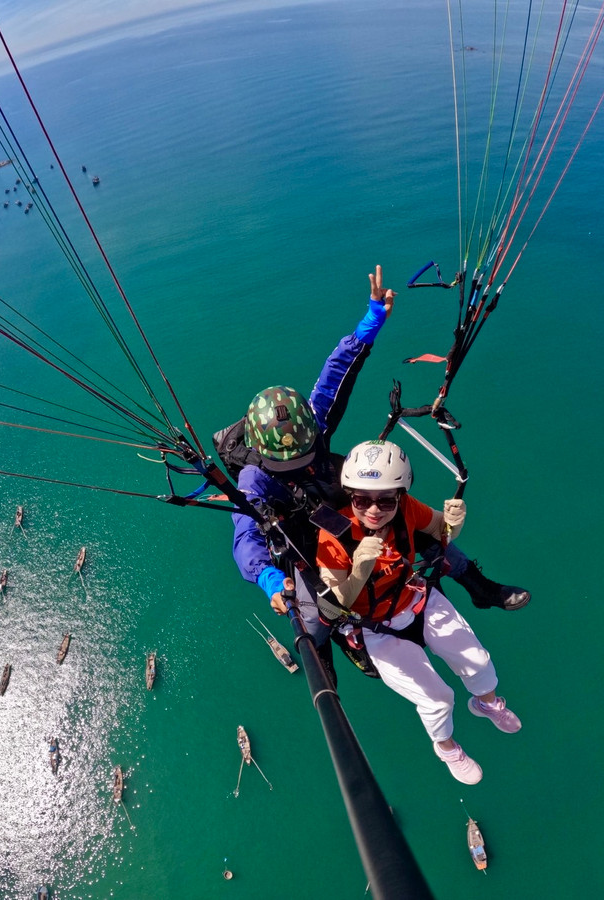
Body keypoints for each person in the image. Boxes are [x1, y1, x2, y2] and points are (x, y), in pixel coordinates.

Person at [229, 268, 529, 674]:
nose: (298, 465)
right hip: (299, 529)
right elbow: (245, 537)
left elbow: (335, 376)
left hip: (336, 498)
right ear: (263, 457)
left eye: (303, 456)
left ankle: (478, 586)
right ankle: (321, 655)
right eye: (288, 466)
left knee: (419, 531)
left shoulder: (312, 426)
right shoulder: (252, 479)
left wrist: (372, 318)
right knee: (313, 608)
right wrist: (267, 578)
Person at [316, 439, 521, 784]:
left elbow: (440, 531)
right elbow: (333, 606)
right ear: (350, 495)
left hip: (416, 599)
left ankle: (486, 703)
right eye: (361, 499)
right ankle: (446, 747)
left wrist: (455, 522)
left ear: (400, 495)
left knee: (479, 662)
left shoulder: (408, 509)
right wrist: (358, 572)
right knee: (438, 699)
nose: (373, 510)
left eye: (385, 500)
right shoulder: (333, 536)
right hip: (376, 627)